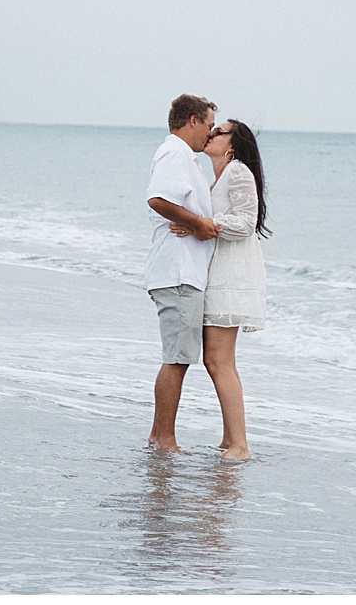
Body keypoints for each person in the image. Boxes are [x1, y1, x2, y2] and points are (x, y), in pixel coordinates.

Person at [171, 119, 269, 460]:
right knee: (222, 360)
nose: (211, 134)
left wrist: (204, 225)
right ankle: (230, 439)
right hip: (221, 272)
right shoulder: (219, 175)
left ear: (232, 144)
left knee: (218, 361)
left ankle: (240, 445)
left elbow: (245, 222)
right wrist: (196, 225)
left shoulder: (238, 172)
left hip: (232, 275)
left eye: (219, 131)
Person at [144, 94, 218, 453]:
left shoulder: (183, 156)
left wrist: (194, 223)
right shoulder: (175, 153)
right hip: (177, 272)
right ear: (192, 120)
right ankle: (165, 440)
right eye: (208, 125)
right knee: (176, 358)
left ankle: (159, 436)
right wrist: (199, 223)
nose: (210, 132)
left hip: (182, 272)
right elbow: (158, 199)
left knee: (178, 357)